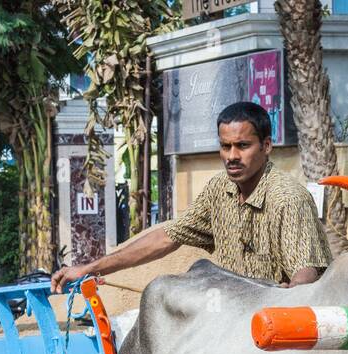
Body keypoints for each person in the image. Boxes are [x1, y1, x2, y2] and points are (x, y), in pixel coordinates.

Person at [51, 101, 331, 293]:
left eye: (243, 146)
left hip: (279, 328)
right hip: (231, 315)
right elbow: (166, 237)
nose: (232, 156)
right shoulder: (218, 190)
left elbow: (306, 274)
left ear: (266, 145)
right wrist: (89, 268)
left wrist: (288, 298)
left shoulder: (289, 198)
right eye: (225, 146)